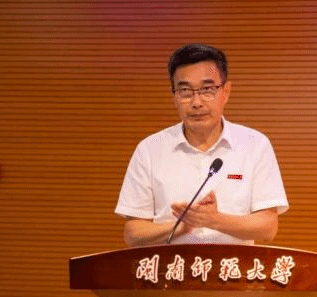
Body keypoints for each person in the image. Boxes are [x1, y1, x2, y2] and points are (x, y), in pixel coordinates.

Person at [115, 44, 288, 246]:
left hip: (233, 265)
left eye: (207, 90)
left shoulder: (254, 145)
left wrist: (214, 220)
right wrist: (181, 227)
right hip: (172, 265)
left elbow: (267, 227)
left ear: (226, 92)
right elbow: (133, 233)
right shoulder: (150, 150)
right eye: (185, 91)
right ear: (174, 96)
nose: (196, 102)